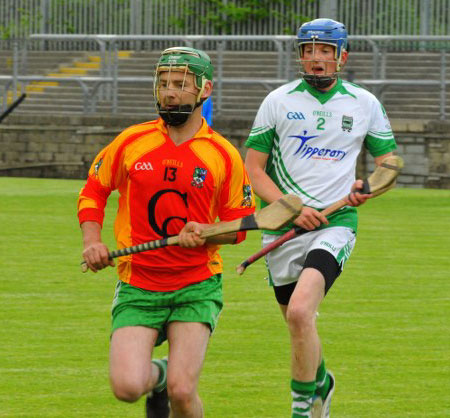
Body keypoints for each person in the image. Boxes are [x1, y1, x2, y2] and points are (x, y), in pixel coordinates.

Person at [77, 46, 255, 418]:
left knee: (184, 392)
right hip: (139, 284)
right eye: (163, 83)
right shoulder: (131, 141)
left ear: (205, 90)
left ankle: (169, 381)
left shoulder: (222, 154)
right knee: (126, 388)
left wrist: (207, 232)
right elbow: (94, 190)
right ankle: (156, 376)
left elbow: (240, 226)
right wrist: (92, 242)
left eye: (180, 84)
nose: (169, 92)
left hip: (196, 284)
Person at [244, 18, 397, 418]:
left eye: (325, 51)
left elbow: (389, 164)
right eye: (308, 50)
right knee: (298, 325)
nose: (316, 59)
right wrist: (293, 208)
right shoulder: (278, 101)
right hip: (284, 227)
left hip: (336, 224)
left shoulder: (363, 103)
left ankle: (301, 411)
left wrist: (371, 186)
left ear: (341, 56)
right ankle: (322, 383)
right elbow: (254, 171)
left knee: (299, 311)